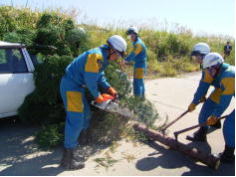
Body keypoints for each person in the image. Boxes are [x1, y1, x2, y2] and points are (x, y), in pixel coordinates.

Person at [59, 35, 127, 170]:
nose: (117, 58)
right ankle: (67, 160)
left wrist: (109, 88)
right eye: (118, 55)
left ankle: (78, 143)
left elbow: (99, 76)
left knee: (86, 114)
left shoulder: (102, 57)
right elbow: (90, 80)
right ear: (112, 49)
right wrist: (98, 97)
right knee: (76, 120)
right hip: (71, 87)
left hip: (77, 87)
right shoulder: (95, 56)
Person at [186, 52, 235, 163]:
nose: (207, 72)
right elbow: (202, 87)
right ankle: (202, 134)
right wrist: (194, 102)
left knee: (230, 124)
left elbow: (225, 101)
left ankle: (229, 154)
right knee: (206, 109)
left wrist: (215, 115)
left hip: (228, 88)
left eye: (209, 69)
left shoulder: (229, 76)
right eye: (206, 69)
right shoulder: (215, 71)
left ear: (216, 66)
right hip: (222, 89)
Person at [187, 43, 221, 128]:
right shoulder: (207, 64)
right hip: (220, 88)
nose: (195, 59)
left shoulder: (209, 66)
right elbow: (204, 83)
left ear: (203, 55)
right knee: (211, 106)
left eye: (196, 56)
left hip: (223, 89)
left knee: (204, 114)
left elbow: (202, 87)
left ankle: (201, 135)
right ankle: (216, 123)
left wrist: (194, 103)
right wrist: (203, 96)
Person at [123, 26, 147, 98]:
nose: (131, 37)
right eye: (130, 36)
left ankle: (137, 100)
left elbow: (134, 54)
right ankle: (142, 98)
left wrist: (125, 60)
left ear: (136, 35)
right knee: (140, 82)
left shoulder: (138, 44)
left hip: (140, 66)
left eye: (132, 35)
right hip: (139, 65)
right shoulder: (137, 42)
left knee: (137, 82)